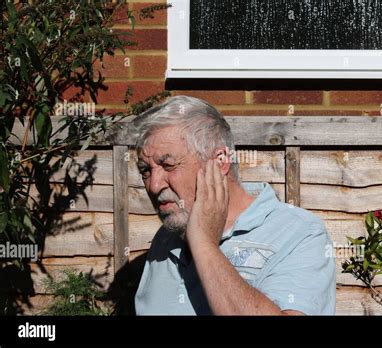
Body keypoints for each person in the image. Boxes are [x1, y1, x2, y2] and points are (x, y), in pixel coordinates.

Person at [131, 95, 336, 315]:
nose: (153, 185)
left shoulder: (301, 233)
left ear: (220, 161)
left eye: (168, 165)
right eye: (145, 170)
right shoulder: (166, 238)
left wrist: (204, 243)